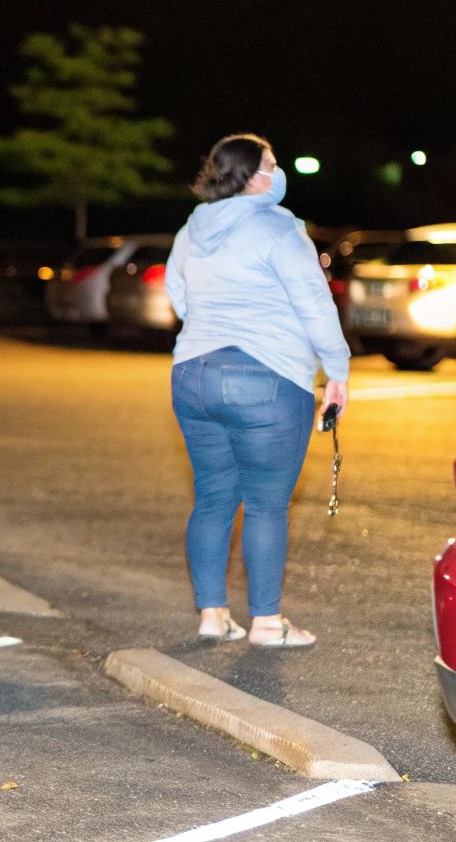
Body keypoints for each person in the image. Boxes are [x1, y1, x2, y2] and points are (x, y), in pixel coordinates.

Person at [164, 133, 351, 648]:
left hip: (193, 376)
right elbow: (314, 303)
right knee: (266, 506)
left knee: (211, 500)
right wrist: (337, 369)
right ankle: (267, 623)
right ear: (253, 176)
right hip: (265, 379)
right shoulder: (278, 229)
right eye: (272, 163)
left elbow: (177, 295)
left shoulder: (191, 229)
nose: (278, 170)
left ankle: (212, 615)